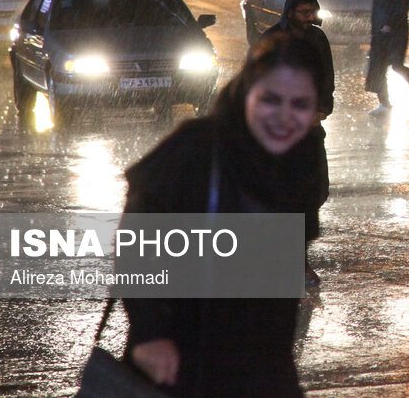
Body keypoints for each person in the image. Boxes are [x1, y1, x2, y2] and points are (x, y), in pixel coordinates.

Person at [122, 32, 324, 396]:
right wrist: (150, 335)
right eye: (270, 100)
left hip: (264, 364)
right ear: (248, 91)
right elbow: (137, 243)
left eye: (300, 104)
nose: (284, 117)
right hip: (181, 362)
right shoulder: (196, 149)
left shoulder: (301, 159)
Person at [262, 0, 334, 286]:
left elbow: (327, 78)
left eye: (312, 12)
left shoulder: (317, 39)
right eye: (304, 12)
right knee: (290, 198)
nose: (309, 18)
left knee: (317, 191)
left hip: (310, 130)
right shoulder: (272, 40)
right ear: (290, 11)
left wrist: (322, 109)